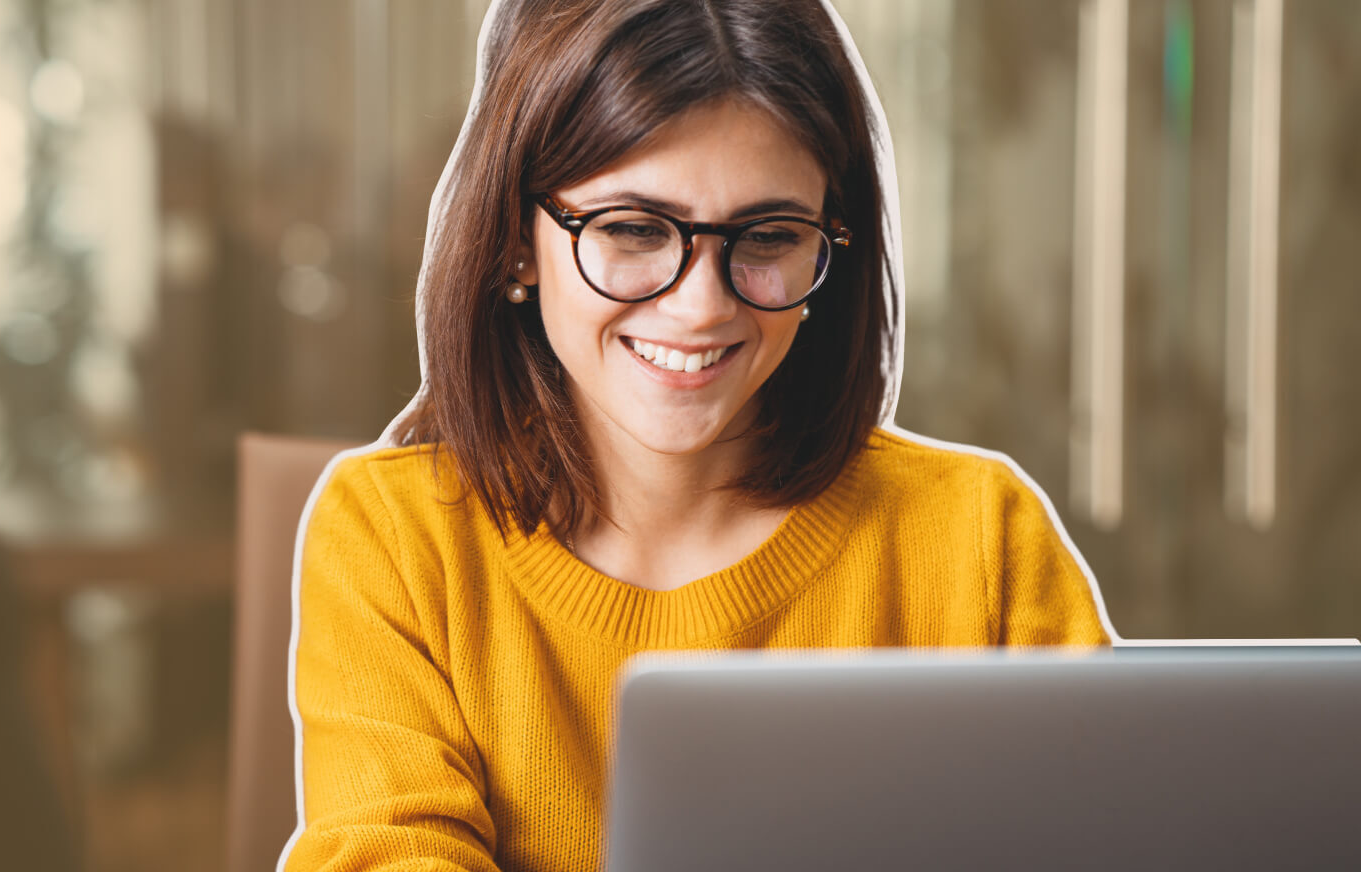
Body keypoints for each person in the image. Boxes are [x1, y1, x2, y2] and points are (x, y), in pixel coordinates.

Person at [283, 1, 1115, 869]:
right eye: (634, 230)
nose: (702, 306)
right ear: (516, 245)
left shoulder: (982, 540)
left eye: (768, 236)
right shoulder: (396, 537)